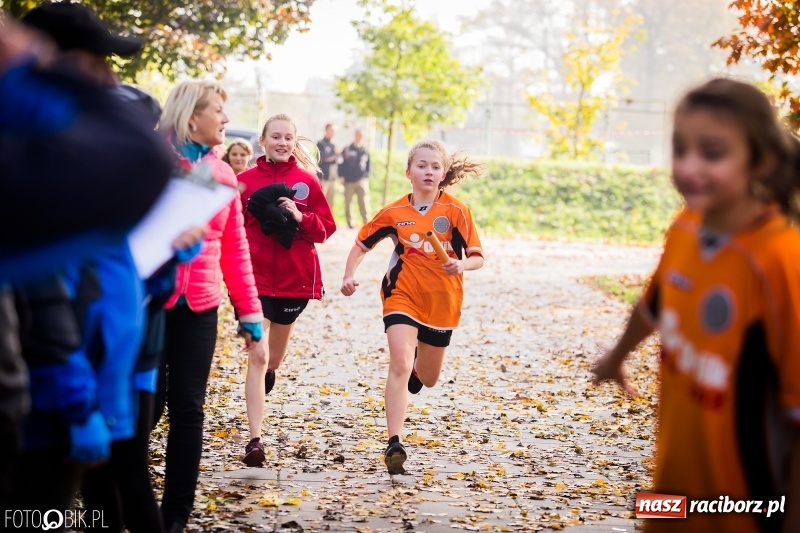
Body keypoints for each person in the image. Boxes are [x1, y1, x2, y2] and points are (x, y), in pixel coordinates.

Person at [591, 78, 800, 533]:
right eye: (679, 148)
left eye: (712, 152)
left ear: (759, 160)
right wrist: (617, 355)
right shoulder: (685, 227)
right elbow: (655, 303)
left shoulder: (781, 259)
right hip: (671, 499)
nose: (688, 167)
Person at [154, 80, 265, 533]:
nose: (224, 119)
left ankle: (175, 515)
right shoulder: (154, 163)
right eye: (217, 110)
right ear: (190, 115)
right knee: (145, 404)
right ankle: (119, 494)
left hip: (200, 305)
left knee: (188, 408)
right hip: (149, 302)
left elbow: (236, 250)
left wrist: (250, 313)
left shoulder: (223, 175)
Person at [340, 140, 484, 475]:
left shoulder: (457, 211)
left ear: (443, 173)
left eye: (435, 166)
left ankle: (421, 369)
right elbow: (360, 246)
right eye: (421, 165)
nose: (428, 171)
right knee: (400, 361)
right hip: (402, 295)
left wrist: (462, 266)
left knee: (429, 378)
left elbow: (477, 257)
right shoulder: (393, 213)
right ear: (409, 172)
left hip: (443, 301)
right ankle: (394, 442)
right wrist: (349, 275)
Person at [237, 113, 336, 467]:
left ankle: (269, 372)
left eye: (288, 138)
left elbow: (326, 229)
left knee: (272, 361)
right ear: (262, 141)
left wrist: (299, 216)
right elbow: (229, 229)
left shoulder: (306, 181)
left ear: (295, 143)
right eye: (275, 136)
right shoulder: (244, 181)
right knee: (258, 356)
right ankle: (254, 441)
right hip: (253, 280)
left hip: (294, 281)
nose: (282, 142)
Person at [339, 128, 371, 229]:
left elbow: (368, 164)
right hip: (349, 181)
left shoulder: (364, 150)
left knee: (364, 201)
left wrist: (366, 176)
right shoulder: (347, 149)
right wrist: (341, 176)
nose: (359, 137)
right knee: (348, 202)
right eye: (358, 135)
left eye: (361, 136)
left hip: (361, 180)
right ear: (355, 136)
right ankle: (350, 222)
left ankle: (366, 221)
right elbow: (341, 163)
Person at [316, 123, 339, 208]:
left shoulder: (333, 145)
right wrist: (334, 155)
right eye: (332, 130)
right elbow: (322, 158)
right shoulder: (320, 143)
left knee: (330, 203)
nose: (333, 132)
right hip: (323, 177)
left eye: (334, 131)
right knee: (321, 201)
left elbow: (337, 160)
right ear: (327, 130)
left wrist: (335, 156)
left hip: (332, 177)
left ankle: (329, 220)